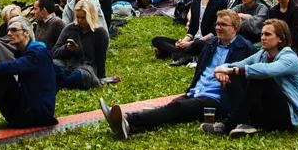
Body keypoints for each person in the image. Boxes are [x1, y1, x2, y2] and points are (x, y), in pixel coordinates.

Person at [104, 10, 253, 139]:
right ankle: (130, 128)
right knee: (172, 111)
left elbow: (245, 79)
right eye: (217, 24)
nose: (218, 28)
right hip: (197, 91)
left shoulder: (244, 48)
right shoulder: (212, 43)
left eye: (223, 25)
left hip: (215, 99)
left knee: (176, 107)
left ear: (235, 28)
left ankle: (126, 117)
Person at [204, 18, 298, 137]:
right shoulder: (263, 54)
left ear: (280, 38)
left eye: (268, 34)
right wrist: (221, 70)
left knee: (259, 76)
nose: (263, 38)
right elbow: (238, 64)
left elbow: (268, 70)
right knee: (237, 75)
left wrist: (233, 70)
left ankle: (228, 125)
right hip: (266, 111)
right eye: (262, 34)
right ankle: (246, 123)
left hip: (287, 115)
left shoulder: (290, 58)